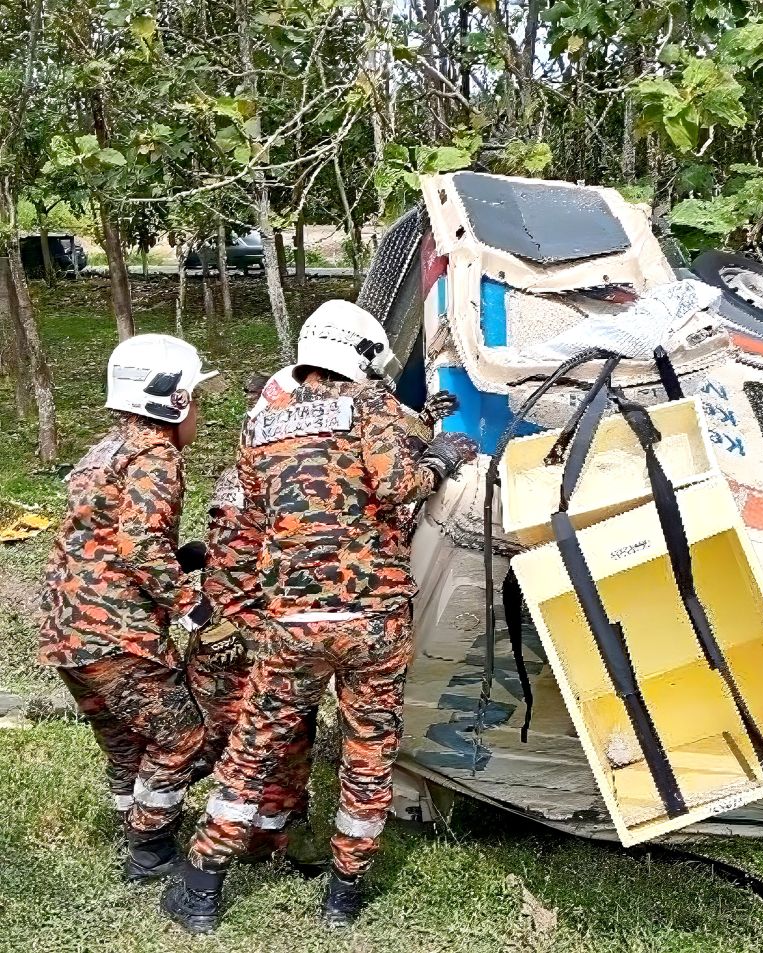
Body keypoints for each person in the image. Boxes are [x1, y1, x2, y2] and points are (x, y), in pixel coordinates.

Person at [162, 300, 478, 934]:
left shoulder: (261, 427)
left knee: (255, 748)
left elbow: (244, 534)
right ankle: (344, 890)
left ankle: (201, 886)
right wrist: (441, 457)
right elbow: (397, 484)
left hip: (291, 625)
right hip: (373, 623)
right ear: (360, 355)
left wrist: (243, 617)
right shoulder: (372, 406)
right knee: (368, 750)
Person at [39, 334, 217, 881]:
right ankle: (151, 846)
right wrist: (195, 607)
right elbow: (139, 546)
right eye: (196, 399)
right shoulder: (156, 455)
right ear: (174, 401)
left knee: (124, 742)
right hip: (115, 633)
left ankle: (133, 828)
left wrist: (180, 557)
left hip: (67, 631)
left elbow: (101, 537)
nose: (199, 412)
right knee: (182, 734)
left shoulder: (106, 449)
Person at [184, 371, 316, 862]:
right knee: (251, 746)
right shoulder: (252, 478)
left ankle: (274, 835)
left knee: (284, 741)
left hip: (261, 633)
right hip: (241, 642)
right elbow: (229, 574)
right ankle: (249, 845)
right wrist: (258, 636)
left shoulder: (273, 473)